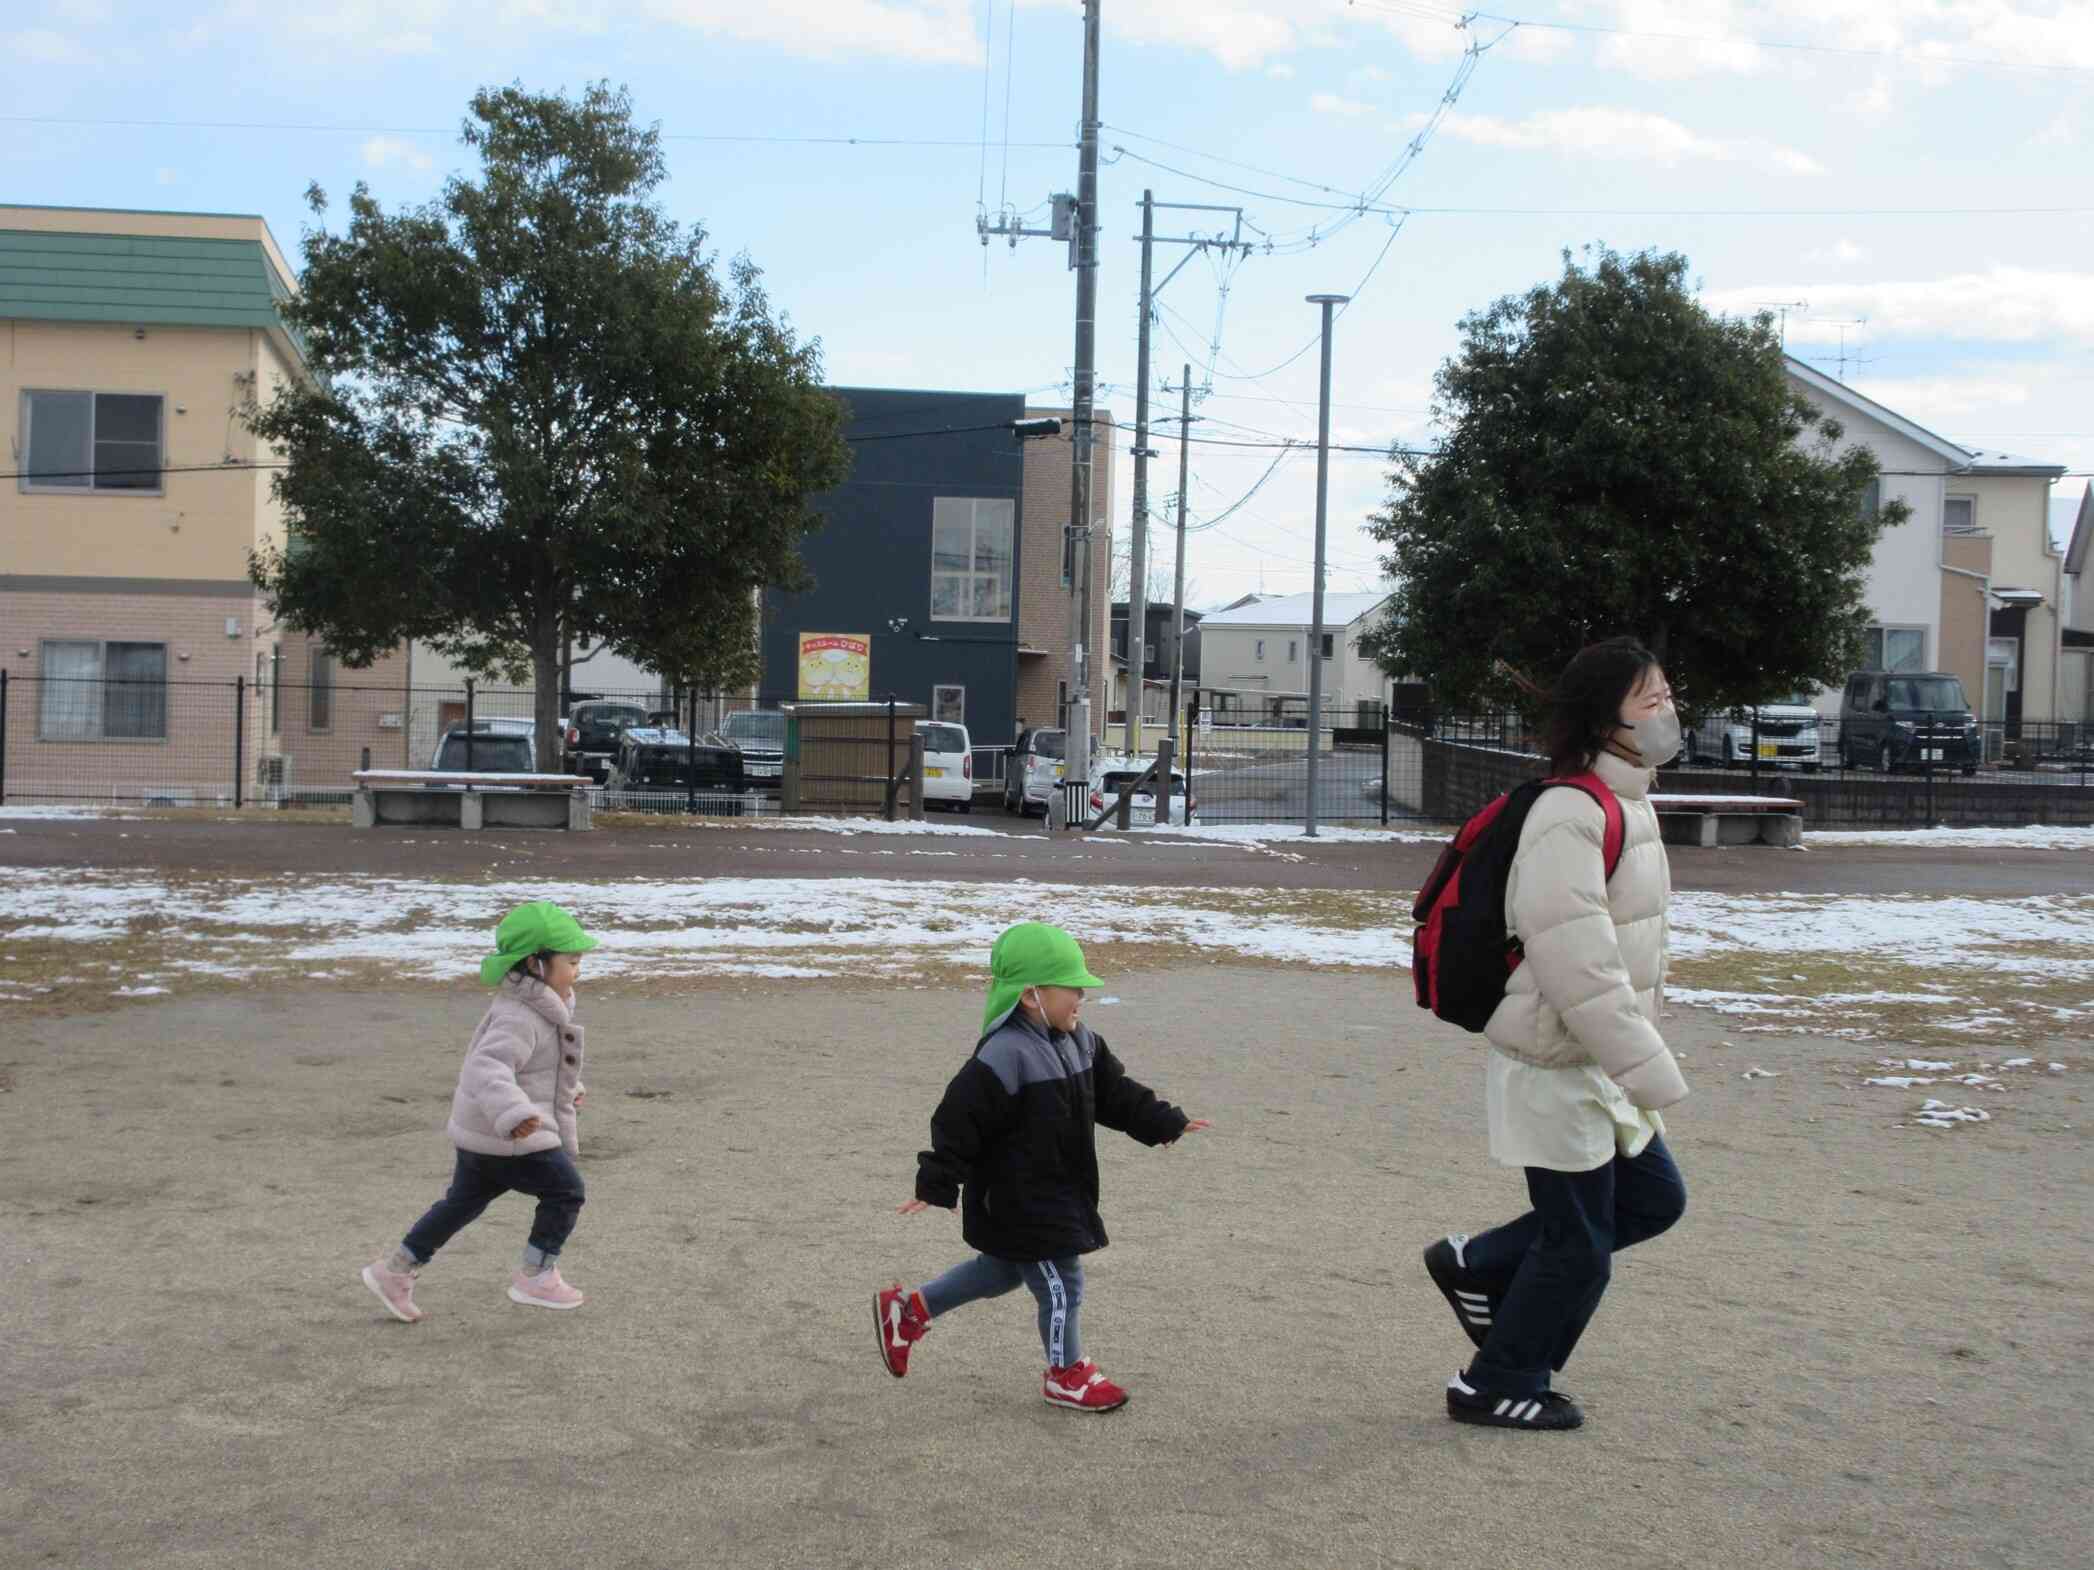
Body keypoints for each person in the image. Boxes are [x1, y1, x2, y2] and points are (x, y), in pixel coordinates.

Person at [1423, 637, 1690, 1431]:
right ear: (1603, 718)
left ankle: (1477, 1264)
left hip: (1594, 1057)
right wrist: (1649, 1066)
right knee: (1580, 1249)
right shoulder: (1568, 813)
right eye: (1650, 700)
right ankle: (1497, 1382)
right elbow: (1579, 965)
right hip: (1555, 1058)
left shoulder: (1626, 801)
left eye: (1668, 695)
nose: (1668, 712)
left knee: (1654, 1200)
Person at [874, 923, 1210, 1411]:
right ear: (1032, 995)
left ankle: (909, 1311)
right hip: (1021, 1199)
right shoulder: (1003, 1054)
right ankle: (1065, 1373)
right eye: (1072, 987)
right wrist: (938, 1180)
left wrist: (1163, 1122)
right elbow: (958, 1118)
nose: (1082, 996)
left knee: (1002, 1272)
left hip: (1059, 1187)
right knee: (1063, 1283)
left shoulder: (1081, 1042)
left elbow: (1114, 1094)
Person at [360, 901, 601, 1322]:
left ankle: (395, 1271)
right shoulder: (520, 1015)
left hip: (486, 1132)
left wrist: (567, 1092)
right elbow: (486, 1067)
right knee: (566, 1191)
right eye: (572, 961)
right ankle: (536, 1274)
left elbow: (533, 1070)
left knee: (461, 1203)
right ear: (535, 963)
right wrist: (514, 1114)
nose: (578, 971)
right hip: (509, 1135)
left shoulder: (538, 1007)